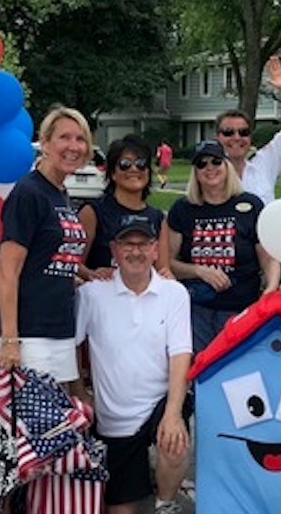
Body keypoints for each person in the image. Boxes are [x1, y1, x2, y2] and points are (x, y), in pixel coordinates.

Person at [75, 216, 192, 514]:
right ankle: (144, 481)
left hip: (158, 403)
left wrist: (173, 413)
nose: (136, 252)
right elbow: (69, 347)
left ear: (155, 250)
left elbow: (180, 354)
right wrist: (80, 393)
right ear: (114, 250)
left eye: (144, 244)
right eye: (128, 244)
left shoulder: (175, 294)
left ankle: (166, 503)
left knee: (174, 443)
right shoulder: (91, 294)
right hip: (115, 420)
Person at [0, 106, 92, 385]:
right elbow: (8, 271)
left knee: (54, 423)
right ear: (45, 144)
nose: (74, 146)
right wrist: (10, 339)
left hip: (57, 328)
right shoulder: (29, 193)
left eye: (80, 139)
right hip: (28, 333)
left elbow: (52, 255)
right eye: (64, 138)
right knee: (30, 425)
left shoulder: (60, 193)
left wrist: (90, 277)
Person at [167, 140, 280, 353]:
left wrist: (272, 287)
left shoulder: (251, 205)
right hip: (196, 309)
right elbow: (167, 263)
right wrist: (199, 271)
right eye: (201, 164)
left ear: (226, 165)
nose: (209, 168)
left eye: (216, 161)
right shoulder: (182, 209)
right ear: (195, 172)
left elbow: (268, 257)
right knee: (200, 372)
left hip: (241, 307)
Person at [79, 134, 170, 279]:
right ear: (113, 173)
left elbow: (163, 269)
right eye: (125, 164)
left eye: (141, 164)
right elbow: (73, 263)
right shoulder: (92, 212)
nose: (134, 169)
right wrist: (92, 274)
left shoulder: (158, 218)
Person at [215, 55, 281, 204]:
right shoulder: (209, 173)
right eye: (228, 132)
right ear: (217, 137)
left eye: (243, 132)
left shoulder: (264, 163)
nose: (236, 137)